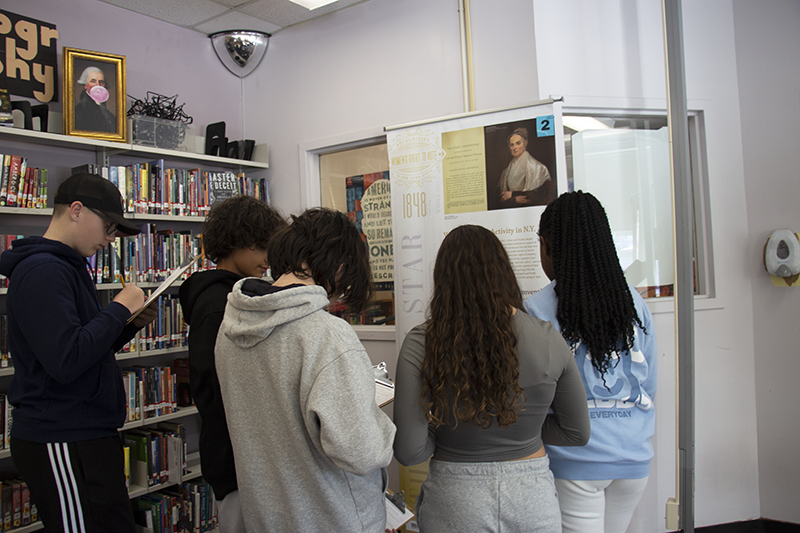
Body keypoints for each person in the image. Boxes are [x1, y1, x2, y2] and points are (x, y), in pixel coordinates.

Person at [393, 224, 591, 533]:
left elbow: (409, 451)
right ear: (503, 272)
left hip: (455, 498)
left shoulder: (422, 343)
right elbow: (577, 433)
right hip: (531, 495)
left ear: (443, 279)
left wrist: (448, 428)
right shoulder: (550, 340)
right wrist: (526, 427)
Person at [214, 207, 396, 532]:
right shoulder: (327, 334)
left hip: (267, 517)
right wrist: (377, 422)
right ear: (340, 265)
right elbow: (362, 452)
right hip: (333, 516)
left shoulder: (230, 328)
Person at [0, 172, 157, 532]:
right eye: (108, 226)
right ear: (75, 210)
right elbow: (66, 360)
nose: (111, 238)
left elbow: (86, 352)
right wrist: (117, 309)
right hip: (61, 435)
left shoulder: (68, 266)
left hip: (84, 432)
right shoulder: (43, 270)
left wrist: (128, 324)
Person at [523, 191, 658, 533]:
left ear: (548, 246)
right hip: (633, 458)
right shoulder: (636, 304)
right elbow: (649, 383)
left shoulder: (537, 310)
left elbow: (530, 395)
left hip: (575, 461)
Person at [178, 195, 287, 533]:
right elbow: (212, 390)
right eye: (259, 247)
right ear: (235, 242)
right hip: (236, 460)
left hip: (256, 455)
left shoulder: (244, 295)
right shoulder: (217, 305)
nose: (268, 260)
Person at [497, 127, 556, 208]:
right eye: (512, 145)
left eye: (518, 143)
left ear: (525, 143)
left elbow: (541, 195)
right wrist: (514, 199)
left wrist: (513, 194)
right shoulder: (505, 173)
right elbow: (500, 197)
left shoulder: (539, 168)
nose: (515, 148)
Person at [74, 66, 116, 133]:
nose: (97, 85)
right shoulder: (78, 109)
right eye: (93, 81)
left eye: (101, 82)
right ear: (85, 85)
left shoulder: (109, 114)